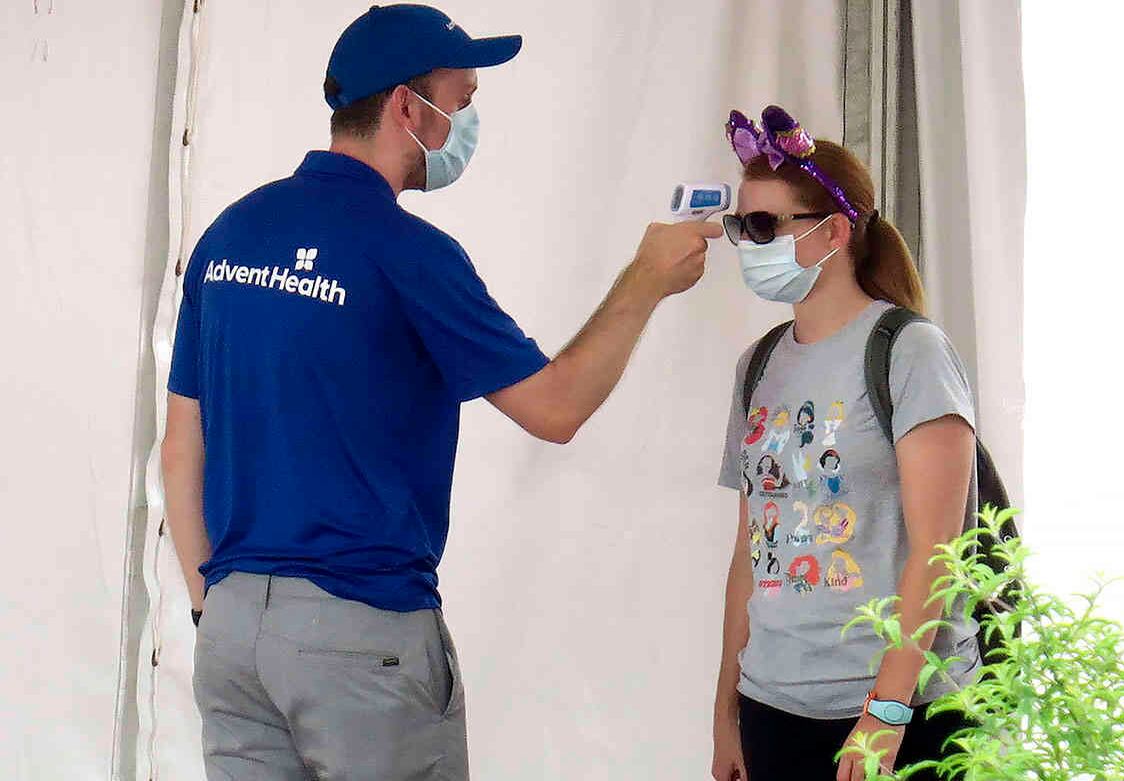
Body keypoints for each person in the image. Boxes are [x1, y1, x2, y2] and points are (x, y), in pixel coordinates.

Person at [160, 5, 721, 780]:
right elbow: (554, 407)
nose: (466, 125)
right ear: (404, 107)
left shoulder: (230, 236)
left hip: (231, 634)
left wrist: (208, 604)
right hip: (360, 632)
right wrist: (646, 280)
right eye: (460, 103)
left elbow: (181, 443)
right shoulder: (407, 252)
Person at [710, 106, 979, 781]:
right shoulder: (759, 364)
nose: (749, 242)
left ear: (834, 230)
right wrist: (726, 711)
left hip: (899, 707)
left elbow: (938, 552)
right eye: (743, 226)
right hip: (772, 705)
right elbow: (751, 549)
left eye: (767, 225)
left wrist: (886, 714)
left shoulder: (910, 351)